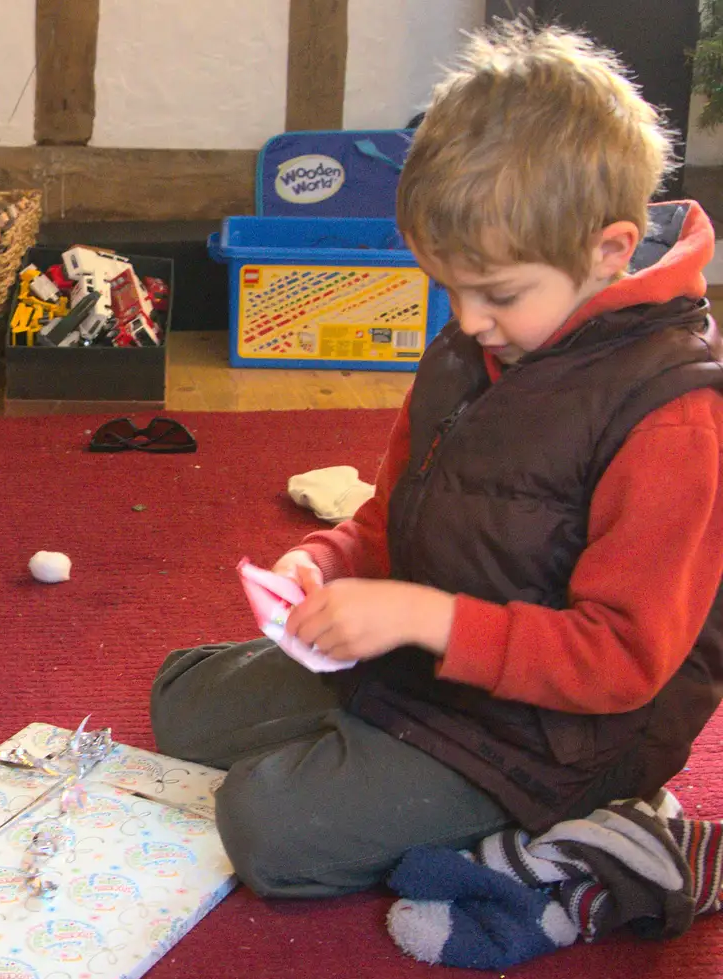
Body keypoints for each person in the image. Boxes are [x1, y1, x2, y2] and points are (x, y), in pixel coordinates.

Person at [152, 20, 723, 898]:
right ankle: (380, 757)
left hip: (559, 734)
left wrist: (425, 618)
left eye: (496, 293)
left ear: (610, 250)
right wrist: (325, 562)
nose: (464, 320)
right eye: (446, 286)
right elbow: (393, 515)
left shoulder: (674, 415)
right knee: (180, 701)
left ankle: (583, 837)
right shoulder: (476, 343)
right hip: (427, 657)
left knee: (268, 829)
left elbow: (622, 660)